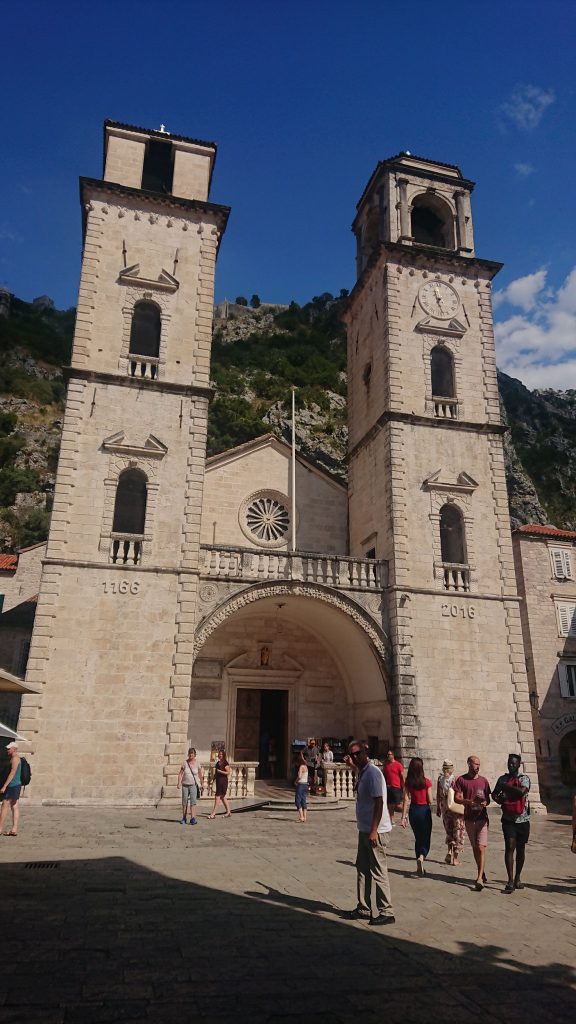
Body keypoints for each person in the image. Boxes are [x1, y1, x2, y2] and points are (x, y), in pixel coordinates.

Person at [346, 739, 395, 926]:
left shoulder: (373, 773)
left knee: (378, 870)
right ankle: (364, 907)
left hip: (376, 831)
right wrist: (353, 767)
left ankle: (387, 911)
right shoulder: (364, 772)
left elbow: (379, 802)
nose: (355, 757)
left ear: (366, 752)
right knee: (362, 869)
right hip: (364, 829)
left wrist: (374, 830)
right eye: (352, 754)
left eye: (358, 753)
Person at [492, 754, 531, 893]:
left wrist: (506, 787)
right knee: (509, 847)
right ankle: (509, 881)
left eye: (514, 763)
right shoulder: (502, 779)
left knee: (521, 849)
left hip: (523, 820)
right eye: (509, 763)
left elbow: (521, 792)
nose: (511, 765)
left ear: (519, 764)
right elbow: (494, 793)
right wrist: (499, 799)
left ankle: (517, 877)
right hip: (508, 819)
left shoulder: (524, 779)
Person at [454, 755, 491, 891]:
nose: (477, 767)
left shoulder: (484, 781)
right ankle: (482, 871)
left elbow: (488, 798)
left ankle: (479, 878)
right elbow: (457, 798)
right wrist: (468, 802)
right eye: (475, 764)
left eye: (479, 764)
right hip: (469, 818)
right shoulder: (462, 780)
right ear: (469, 763)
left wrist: (485, 803)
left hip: (482, 818)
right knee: (475, 847)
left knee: (481, 847)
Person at [400, 757, 433, 876]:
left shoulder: (408, 782)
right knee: (426, 837)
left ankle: (418, 862)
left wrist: (403, 817)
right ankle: (422, 856)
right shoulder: (426, 782)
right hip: (424, 811)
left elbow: (406, 799)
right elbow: (430, 799)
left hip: (413, 811)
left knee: (418, 837)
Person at [436, 759, 465, 866]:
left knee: (449, 830)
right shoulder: (456, 779)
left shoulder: (440, 779)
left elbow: (438, 795)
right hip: (455, 808)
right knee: (458, 831)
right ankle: (455, 858)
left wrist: (439, 808)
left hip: (445, 807)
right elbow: (460, 794)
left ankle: (449, 852)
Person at [0, 741, 22, 837]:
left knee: (5, 805)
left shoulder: (15, 759)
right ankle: (14, 829)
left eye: (9, 748)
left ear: (14, 749)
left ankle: (0, 828)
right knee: (14, 805)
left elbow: (12, 773)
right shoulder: (14, 758)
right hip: (16, 785)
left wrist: (5, 786)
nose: (7, 750)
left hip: (12, 785)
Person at [177, 747, 204, 825]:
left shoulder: (197, 763)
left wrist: (202, 783)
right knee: (184, 802)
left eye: (192, 753)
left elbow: (199, 774)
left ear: (195, 754)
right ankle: (184, 818)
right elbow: (181, 773)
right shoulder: (185, 763)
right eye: (189, 753)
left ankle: (193, 818)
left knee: (193, 802)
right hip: (185, 785)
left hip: (193, 785)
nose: (190, 754)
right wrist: (179, 783)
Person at [382, 750, 404, 824]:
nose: (388, 756)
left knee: (398, 805)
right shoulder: (386, 765)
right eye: (387, 755)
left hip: (396, 787)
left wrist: (403, 786)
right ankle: (392, 819)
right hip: (389, 787)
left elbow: (402, 776)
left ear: (393, 755)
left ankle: (405, 814)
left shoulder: (398, 765)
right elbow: (384, 776)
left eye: (389, 754)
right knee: (390, 805)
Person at [208, 749, 232, 819]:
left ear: (223, 755)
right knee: (223, 797)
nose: (220, 755)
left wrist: (221, 771)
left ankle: (213, 813)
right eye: (219, 754)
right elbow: (216, 773)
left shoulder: (225, 763)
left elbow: (228, 772)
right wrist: (213, 779)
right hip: (218, 781)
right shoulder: (218, 763)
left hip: (223, 781)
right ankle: (228, 812)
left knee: (217, 797)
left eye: (221, 754)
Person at [294, 752, 309, 823]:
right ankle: (305, 817)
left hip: (301, 785)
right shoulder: (306, 767)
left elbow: (299, 776)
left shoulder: (301, 766)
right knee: (303, 800)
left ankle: (301, 816)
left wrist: (295, 781)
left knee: (297, 800)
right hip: (305, 785)